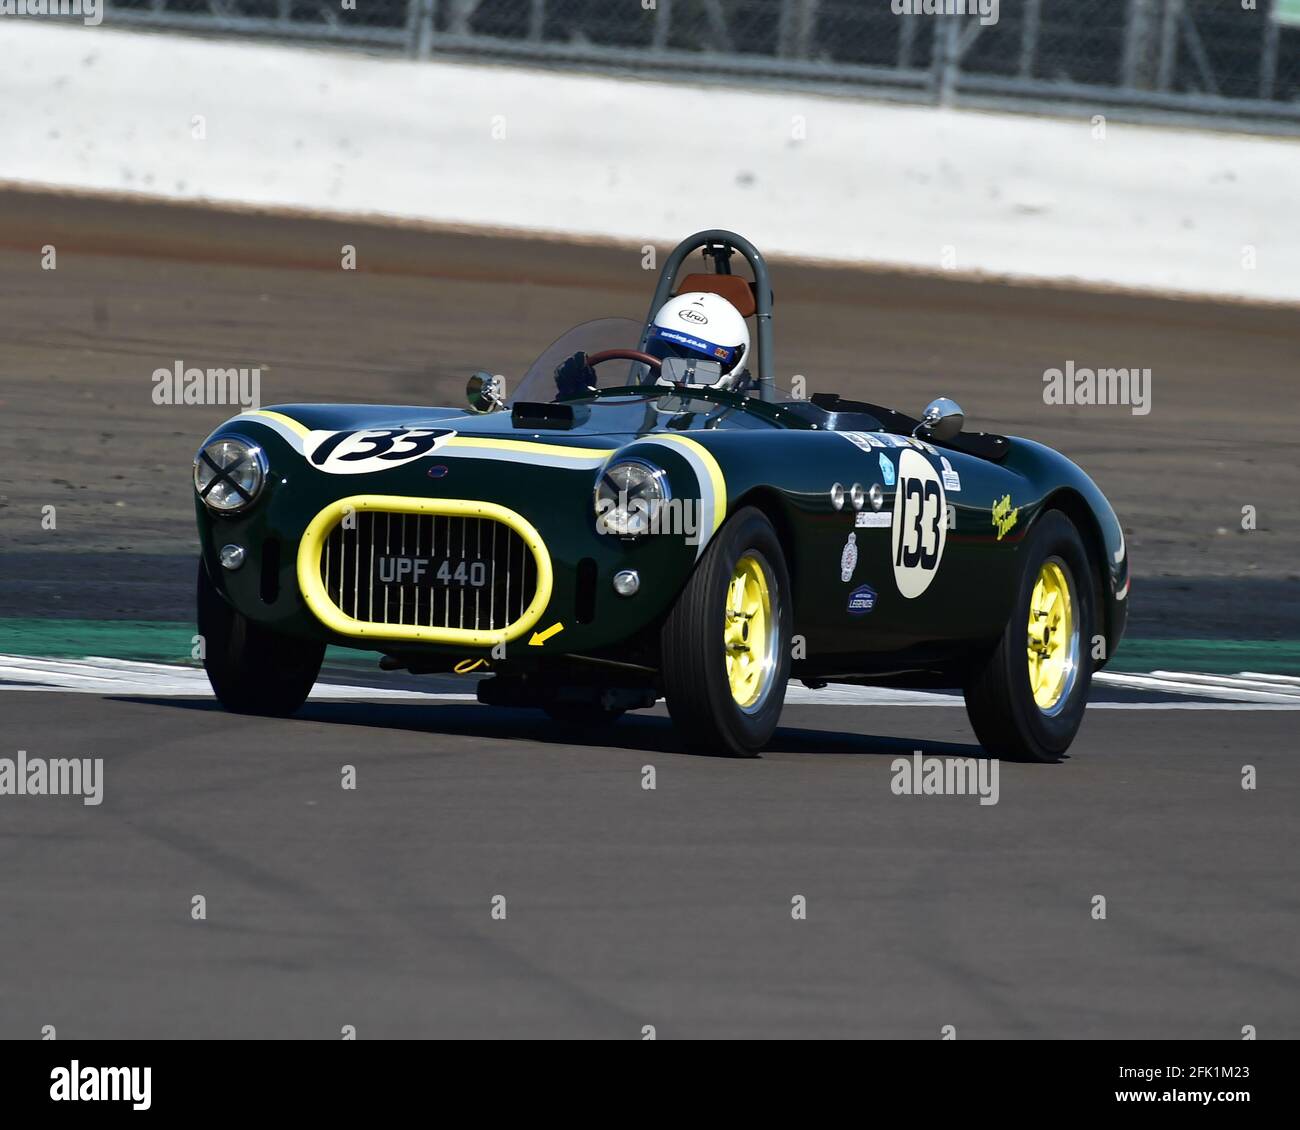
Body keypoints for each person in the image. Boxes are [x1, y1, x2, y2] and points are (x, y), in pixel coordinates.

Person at [554, 292, 751, 398]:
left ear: (731, 367)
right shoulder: (625, 412)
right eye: (662, 352)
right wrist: (575, 399)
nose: (670, 370)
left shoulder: (733, 431)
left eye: (697, 362)